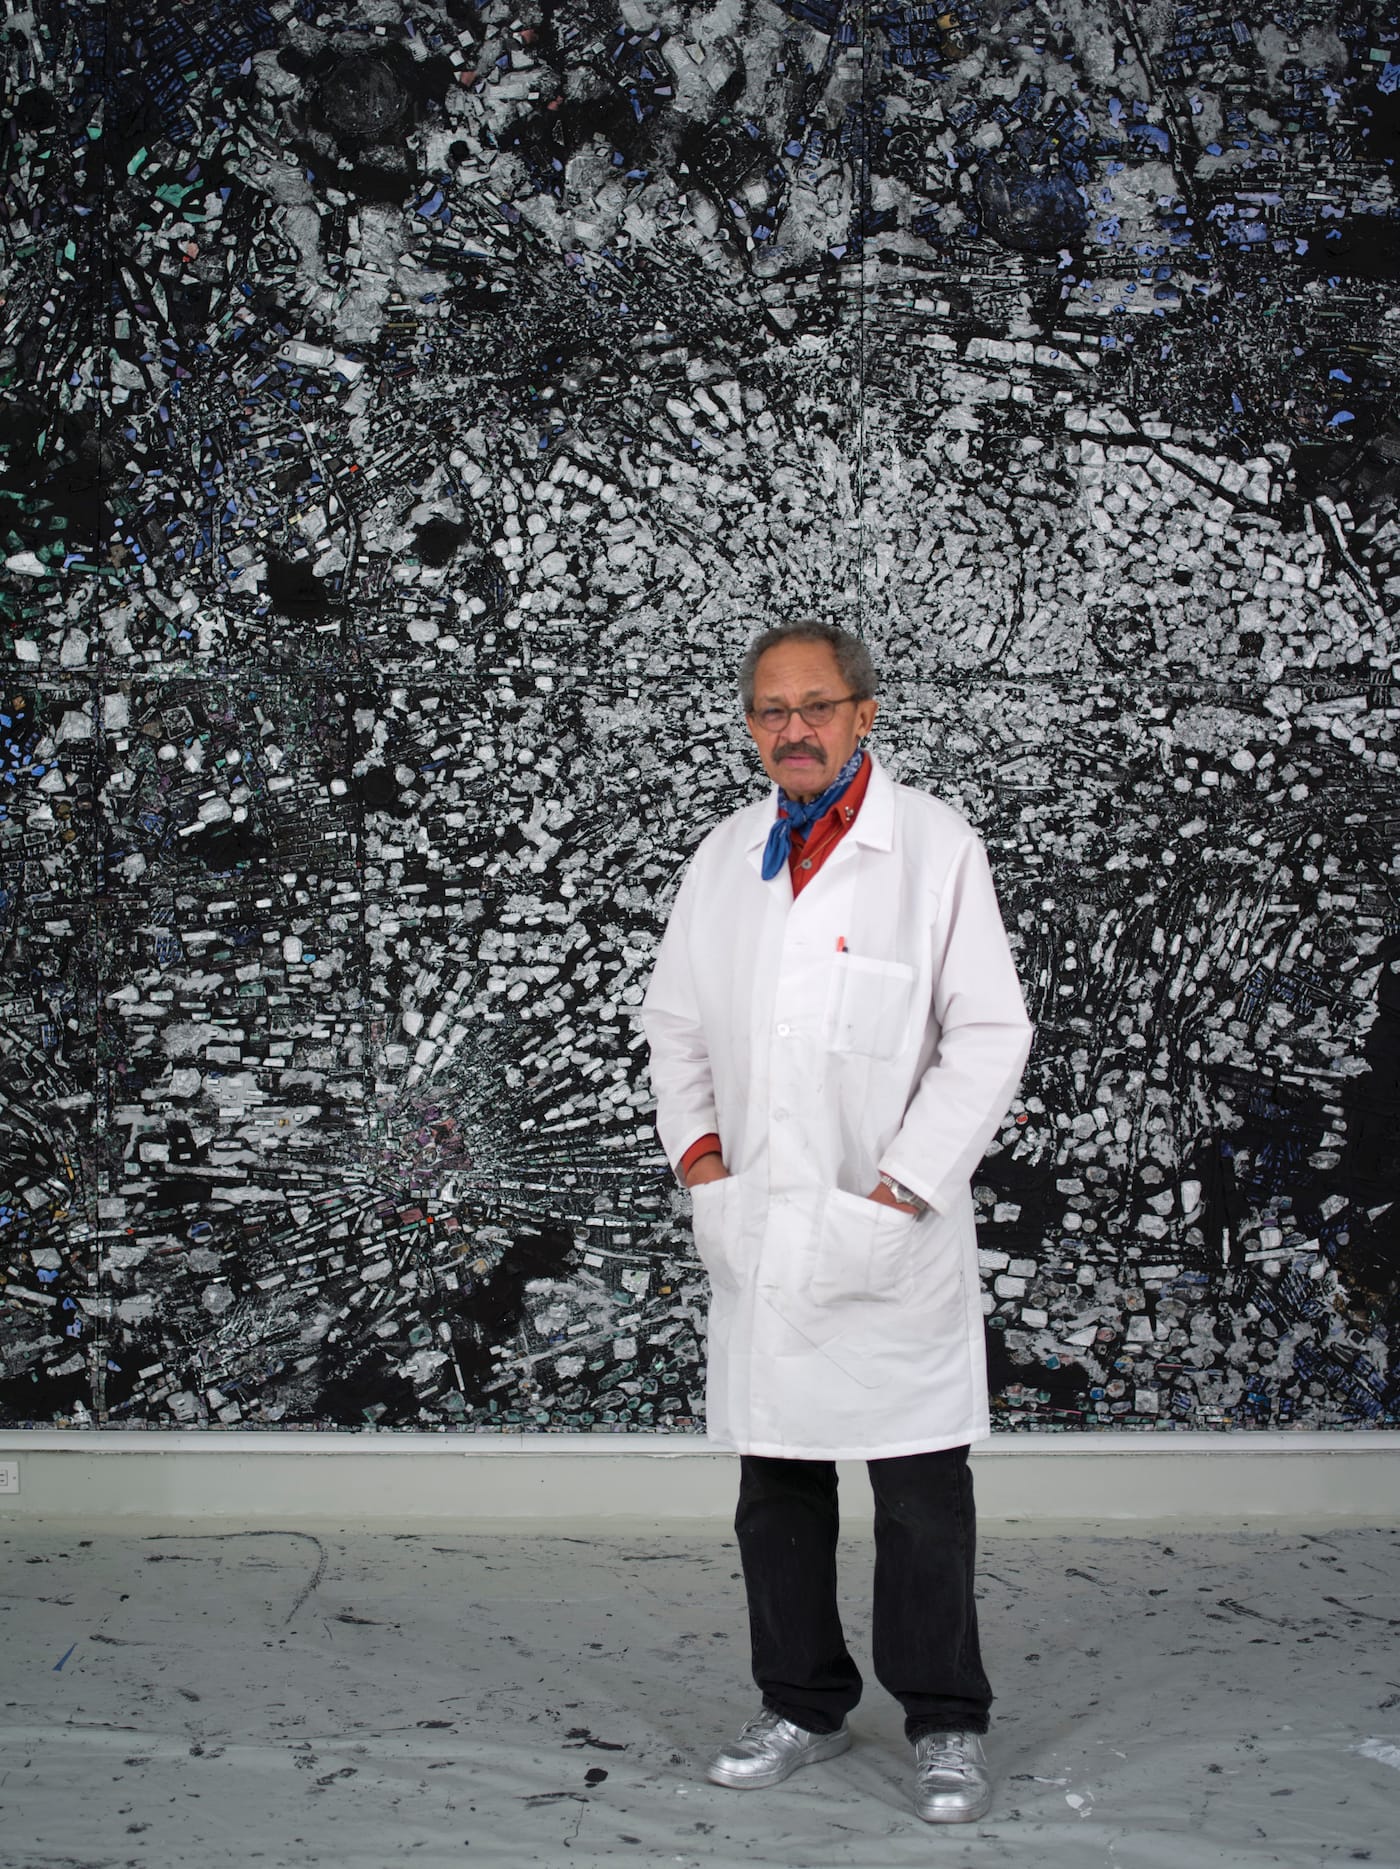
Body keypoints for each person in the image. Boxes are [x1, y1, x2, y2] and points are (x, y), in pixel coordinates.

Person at [641, 620, 1033, 1825]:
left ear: (863, 713)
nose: (794, 730)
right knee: (777, 1486)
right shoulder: (724, 858)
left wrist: (903, 1185)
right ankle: (801, 1704)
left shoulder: (932, 848)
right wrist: (703, 1164)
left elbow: (988, 1034)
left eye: (816, 706)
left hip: (886, 1232)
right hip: (761, 1228)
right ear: (748, 727)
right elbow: (674, 1029)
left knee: (919, 1494)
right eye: (771, 711)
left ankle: (945, 1719)